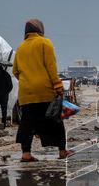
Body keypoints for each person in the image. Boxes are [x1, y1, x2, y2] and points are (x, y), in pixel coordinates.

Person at [12, 18, 71, 162]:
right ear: (40, 30)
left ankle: (26, 154)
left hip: (26, 92)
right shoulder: (45, 43)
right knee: (55, 120)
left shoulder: (20, 47)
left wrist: (28, 81)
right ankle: (62, 151)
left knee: (27, 122)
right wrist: (58, 86)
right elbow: (51, 67)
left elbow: (15, 71)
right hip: (44, 90)